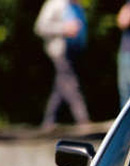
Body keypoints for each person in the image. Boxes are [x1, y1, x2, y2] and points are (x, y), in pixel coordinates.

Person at [35, 0, 90, 130]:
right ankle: (83, 119)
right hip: (59, 51)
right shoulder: (55, 4)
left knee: (61, 85)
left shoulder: (77, 6)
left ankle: (48, 121)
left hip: (74, 51)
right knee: (70, 82)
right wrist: (63, 28)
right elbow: (40, 27)